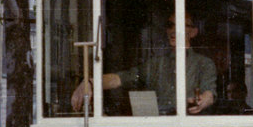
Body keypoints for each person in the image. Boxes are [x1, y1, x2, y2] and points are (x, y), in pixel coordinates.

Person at [72, 12, 216, 115]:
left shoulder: (204, 64)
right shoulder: (155, 64)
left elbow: (209, 93)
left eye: (180, 25)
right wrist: (90, 83)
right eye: (170, 25)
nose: (174, 30)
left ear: (194, 32)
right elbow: (121, 78)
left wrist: (203, 100)